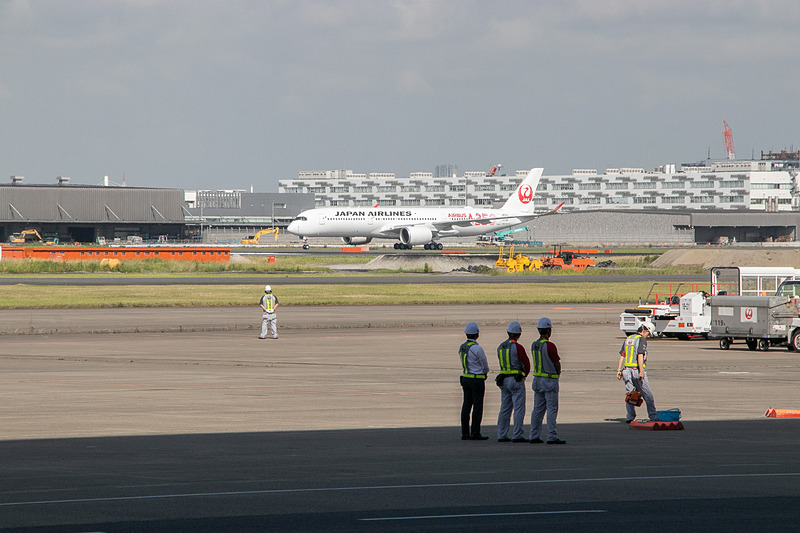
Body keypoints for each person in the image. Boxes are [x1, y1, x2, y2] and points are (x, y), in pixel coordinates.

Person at [528, 317, 565, 444]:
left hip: (537, 380)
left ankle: (533, 435)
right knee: (552, 409)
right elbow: (556, 362)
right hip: (549, 380)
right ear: (549, 330)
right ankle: (551, 435)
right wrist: (558, 373)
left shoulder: (534, 345)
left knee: (537, 409)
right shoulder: (549, 345)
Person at [496, 321, 530, 442]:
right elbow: (526, 364)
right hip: (516, 380)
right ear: (518, 334)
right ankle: (517, 434)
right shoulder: (518, 347)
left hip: (504, 380)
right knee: (519, 408)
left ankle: (501, 434)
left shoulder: (500, 346)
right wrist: (524, 374)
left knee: (505, 408)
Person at [617, 324, 658, 423]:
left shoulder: (628, 338)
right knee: (647, 395)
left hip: (626, 371)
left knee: (630, 395)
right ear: (644, 330)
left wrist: (618, 370)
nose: (648, 336)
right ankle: (653, 416)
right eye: (648, 334)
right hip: (636, 370)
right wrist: (641, 371)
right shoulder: (641, 339)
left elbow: (622, 355)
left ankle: (630, 416)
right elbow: (640, 355)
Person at [459, 321, 490, 440]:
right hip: (477, 380)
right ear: (477, 334)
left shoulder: (462, 347)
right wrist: (485, 373)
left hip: (466, 378)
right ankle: (475, 432)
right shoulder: (477, 348)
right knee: (477, 406)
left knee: (466, 406)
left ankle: (465, 433)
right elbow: (484, 364)